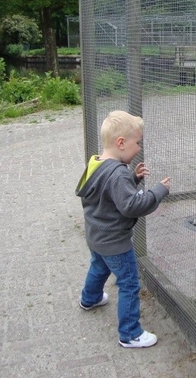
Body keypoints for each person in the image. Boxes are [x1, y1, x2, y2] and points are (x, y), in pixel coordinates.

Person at [75, 110, 171, 348]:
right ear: (121, 143)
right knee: (129, 282)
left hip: (96, 235)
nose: (138, 148)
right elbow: (130, 205)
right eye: (137, 142)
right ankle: (130, 333)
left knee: (98, 267)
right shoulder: (118, 174)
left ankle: (90, 299)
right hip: (115, 242)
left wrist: (133, 179)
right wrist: (157, 192)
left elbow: (108, 193)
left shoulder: (96, 163)